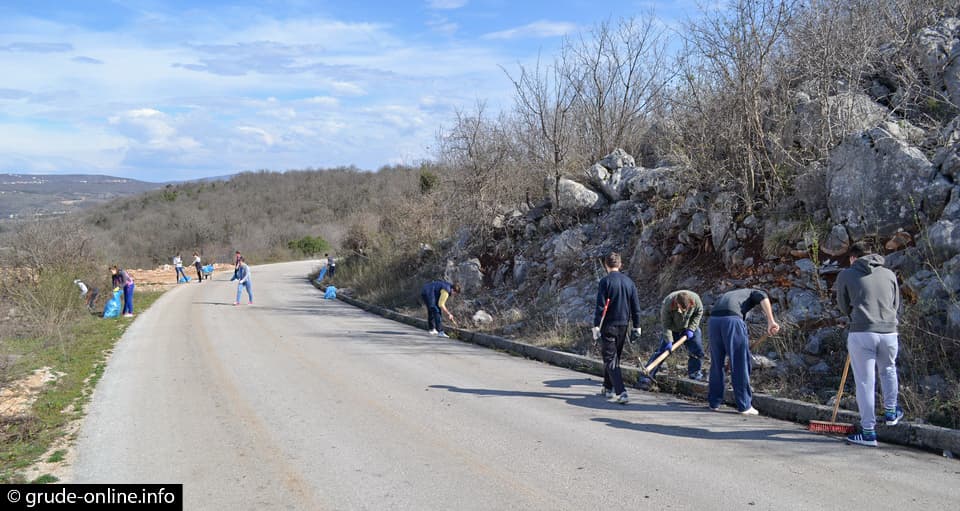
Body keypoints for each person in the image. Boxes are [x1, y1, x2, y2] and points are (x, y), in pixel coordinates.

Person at [836, 242, 903, 447]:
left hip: (862, 332)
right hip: (889, 331)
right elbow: (896, 303)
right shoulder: (889, 274)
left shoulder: (847, 274)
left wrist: (856, 318)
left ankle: (868, 432)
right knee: (888, 369)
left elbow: (842, 304)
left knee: (865, 381)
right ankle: (891, 412)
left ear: (853, 257)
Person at [707, 288, 780, 415]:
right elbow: (763, 297)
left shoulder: (731, 294)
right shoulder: (754, 292)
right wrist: (771, 321)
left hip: (713, 321)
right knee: (740, 362)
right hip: (732, 321)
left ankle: (714, 403)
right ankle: (744, 405)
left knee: (716, 363)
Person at [592, 252, 642, 404]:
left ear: (606, 265)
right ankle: (608, 387)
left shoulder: (605, 282)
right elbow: (636, 307)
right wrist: (637, 326)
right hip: (623, 325)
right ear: (620, 265)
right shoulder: (629, 282)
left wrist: (595, 325)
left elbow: (600, 307)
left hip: (608, 325)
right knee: (615, 358)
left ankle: (621, 392)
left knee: (610, 358)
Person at [638, 290, 705, 389]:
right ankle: (646, 377)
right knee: (662, 351)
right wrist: (669, 340)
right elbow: (666, 325)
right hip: (672, 328)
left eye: (685, 310)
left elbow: (699, 313)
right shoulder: (668, 303)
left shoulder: (696, 300)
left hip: (689, 328)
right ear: (677, 303)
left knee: (697, 350)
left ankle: (695, 374)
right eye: (680, 309)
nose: (682, 312)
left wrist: (692, 328)